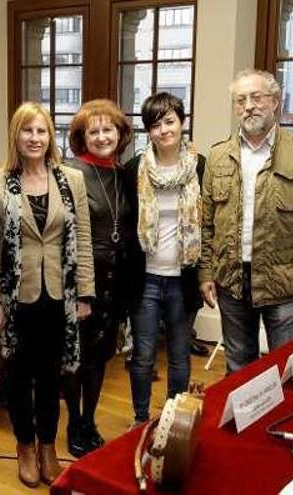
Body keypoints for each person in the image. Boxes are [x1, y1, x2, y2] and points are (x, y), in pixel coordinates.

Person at [0, 102, 94, 487]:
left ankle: (48, 446)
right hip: (16, 298)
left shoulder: (71, 180)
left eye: (41, 131)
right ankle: (24, 445)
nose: (34, 138)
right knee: (17, 378)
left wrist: (85, 295)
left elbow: (84, 242)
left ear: (51, 136)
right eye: (27, 130)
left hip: (61, 296)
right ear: (16, 135)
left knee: (52, 378)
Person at [199, 69, 293, 374]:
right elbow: (206, 222)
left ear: (275, 101)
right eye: (241, 100)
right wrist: (206, 271)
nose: (248, 106)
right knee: (239, 369)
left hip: (285, 285)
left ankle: (284, 424)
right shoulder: (218, 156)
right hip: (232, 282)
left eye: (256, 97)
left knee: (289, 369)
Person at [122, 92, 205, 425]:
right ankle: (141, 418)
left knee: (180, 356)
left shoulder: (199, 166)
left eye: (169, 121)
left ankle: (174, 420)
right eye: (155, 125)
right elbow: (127, 224)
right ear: (148, 132)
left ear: (182, 123)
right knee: (142, 356)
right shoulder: (133, 169)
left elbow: (209, 221)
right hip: (146, 279)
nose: (163, 130)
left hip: (183, 277)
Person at [62, 99, 133, 457]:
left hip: (115, 281)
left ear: (120, 135)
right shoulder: (69, 171)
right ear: (81, 137)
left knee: (102, 355)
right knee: (77, 356)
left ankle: (90, 419)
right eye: (94, 131)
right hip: (83, 282)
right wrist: (77, 289)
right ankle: (74, 423)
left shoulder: (123, 173)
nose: (102, 136)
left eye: (109, 129)